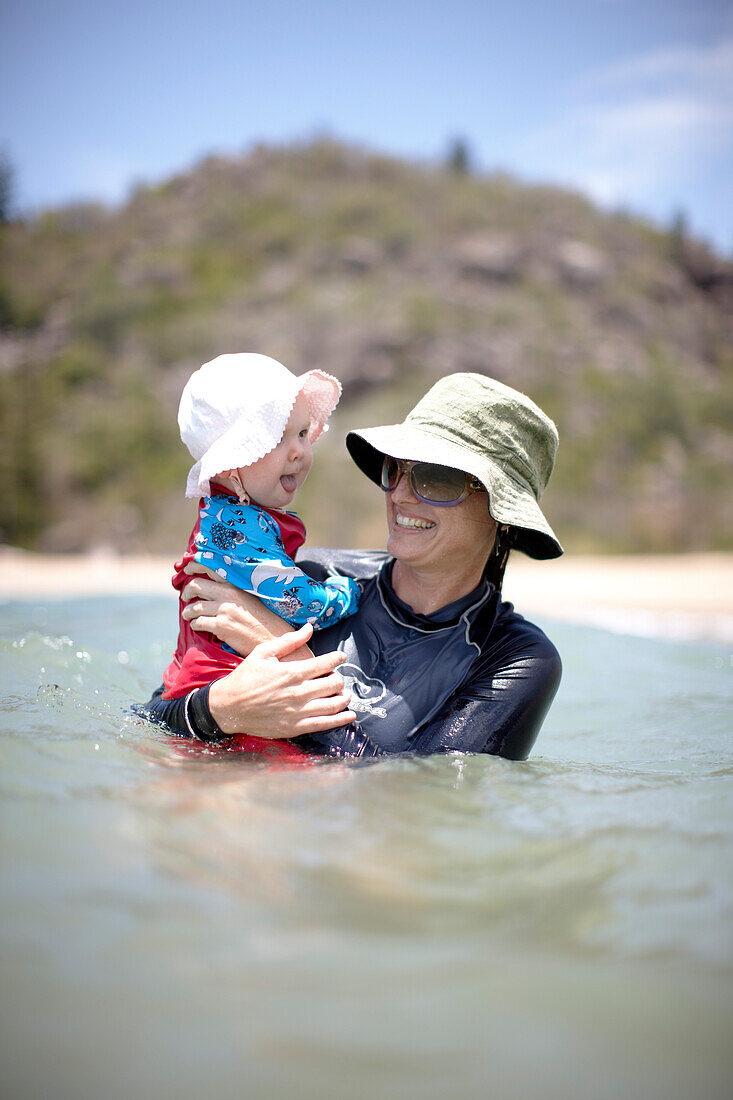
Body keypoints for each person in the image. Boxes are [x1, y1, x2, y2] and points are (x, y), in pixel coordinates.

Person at [143, 373, 563, 761]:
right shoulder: (310, 578)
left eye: (436, 478)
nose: (399, 495)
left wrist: (281, 650)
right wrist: (216, 709)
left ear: (500, 511)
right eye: (395, 468)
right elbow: (149, 717)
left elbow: (428, 797)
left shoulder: (515, 659)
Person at [160, 352, 360, 756]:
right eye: (277, 439)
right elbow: (301, 604)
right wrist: (348, 592)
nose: (300, 451)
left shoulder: (229, 515)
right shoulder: (238, 529)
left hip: (200, 683)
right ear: (233, 465)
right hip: (227, 686)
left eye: (303, 433)